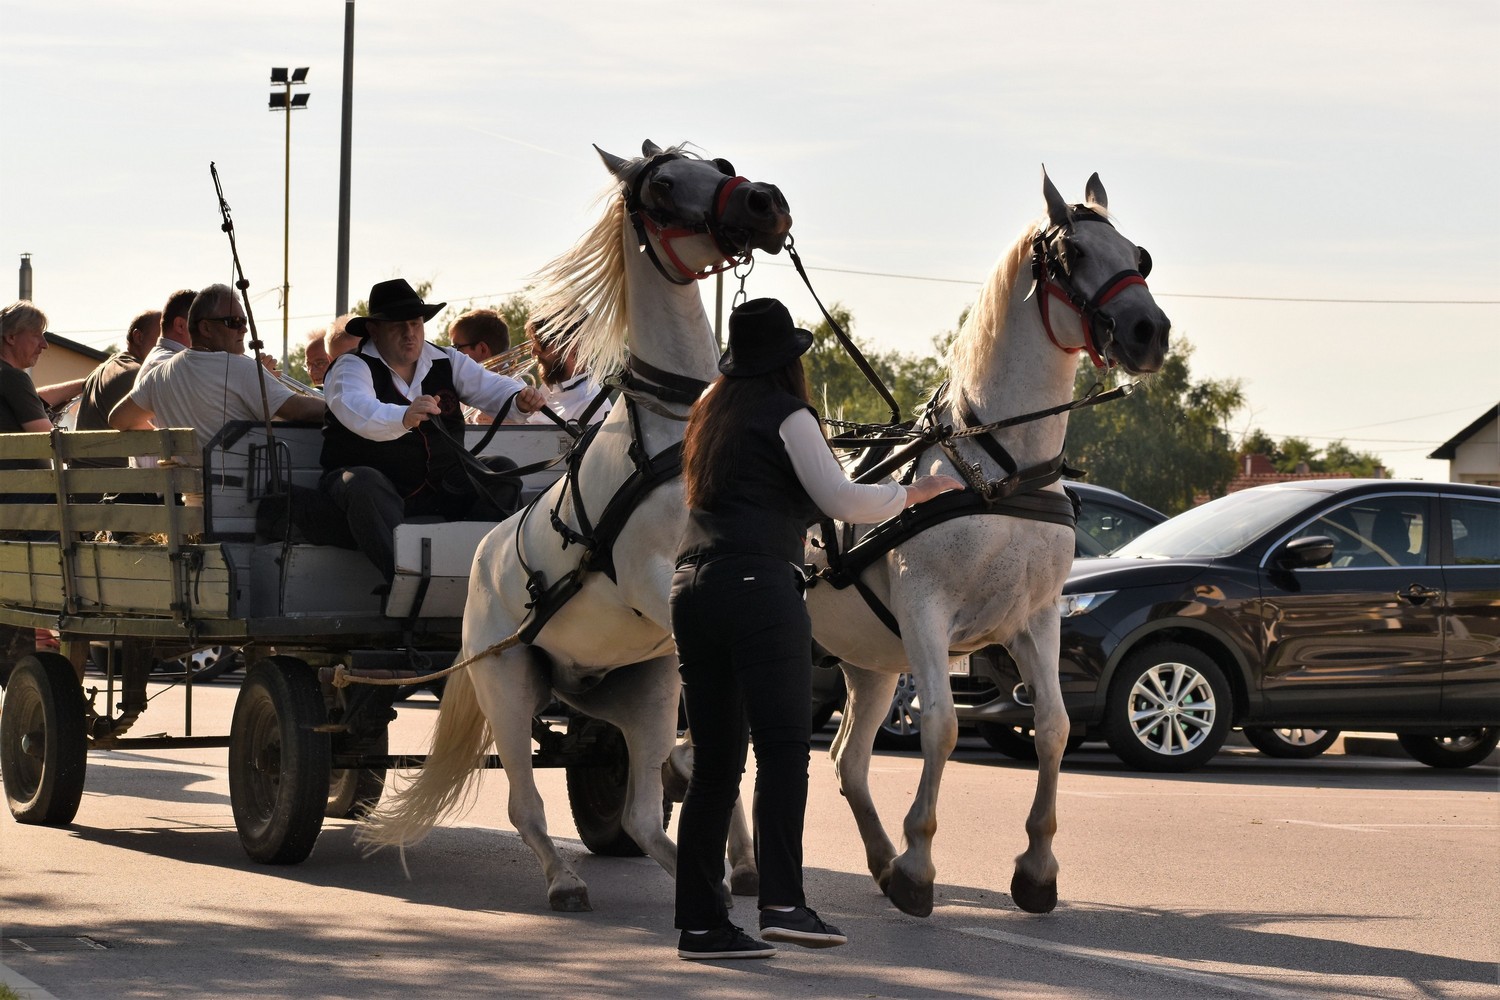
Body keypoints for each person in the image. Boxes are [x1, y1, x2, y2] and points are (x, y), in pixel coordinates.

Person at [669, 298, 962, 961]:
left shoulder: (709, 411)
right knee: (781, 751)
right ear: (789, 361)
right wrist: (914, 495)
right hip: (756, 586)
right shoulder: (788, 413)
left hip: (692, 587)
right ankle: (782, 905)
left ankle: (701, 927)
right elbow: (839, 498)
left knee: (715, 766)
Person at [320, 279, 545, 583]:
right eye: (398, 325)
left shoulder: (445, 359)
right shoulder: (351, 366)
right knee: (363, 483)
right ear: (374, 330)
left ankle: (480, 574)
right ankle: (405, 582)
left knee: (501, 473)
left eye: (415, 323)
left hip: (440, 486)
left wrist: (518, 397)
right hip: (382, 489)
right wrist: (403, 416)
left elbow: (491, 386)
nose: (410, 333)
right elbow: (357, 408)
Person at [109, 284, 325, 465]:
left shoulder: (157, 376)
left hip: (187, 504)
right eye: (234, 322)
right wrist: (346, 406)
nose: (243, 330)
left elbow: (118, 419)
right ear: (205, 328)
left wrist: (168, 441)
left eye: (244, 322)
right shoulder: (241, 368)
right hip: (239, 503)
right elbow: (300, 410)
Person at [524, 311, 611, 427]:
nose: (534, 351)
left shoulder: (593, 407)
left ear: (573, 345)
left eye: (542, 343)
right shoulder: (552, 386)